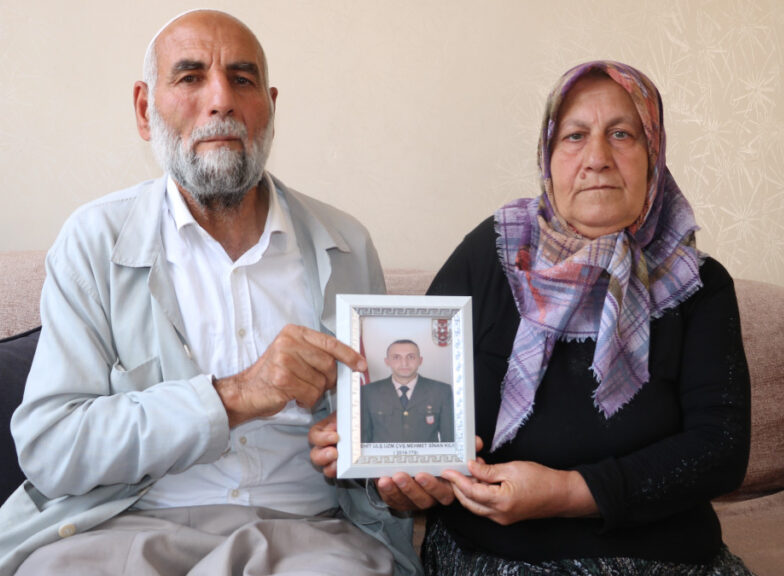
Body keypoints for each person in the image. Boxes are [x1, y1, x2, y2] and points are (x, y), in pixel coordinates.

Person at [0, 9, 420, 576]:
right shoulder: (93, 241)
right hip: (125, 526)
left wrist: (388, 473)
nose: (221, 100)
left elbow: (383, 439)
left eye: (242, 79)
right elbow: (52, 447)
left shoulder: (346, 245)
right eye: (190, 77)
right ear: (144, 108)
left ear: (270, 107)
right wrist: (234, 396)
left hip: (308, 533)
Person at [311, 61, 754, 575]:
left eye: (621, 134)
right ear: (548, 154)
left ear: (653, 153)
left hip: (665, 558)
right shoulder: (493, 253)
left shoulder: (698, 284)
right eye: (575, 136)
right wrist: (376, 451)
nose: (597, 158)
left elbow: (721, 450)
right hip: (499, 555)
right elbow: (424, 401)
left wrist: (570, 492)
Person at [361, 339, 455, 443]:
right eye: (396, 357)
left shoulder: (441, 391)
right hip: (382, 454)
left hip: (426, 454)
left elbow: (449, 440)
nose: (404, 363)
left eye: (411, 357)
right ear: (387, 361)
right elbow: (364, 440)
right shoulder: (369, 392)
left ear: (420, 360)